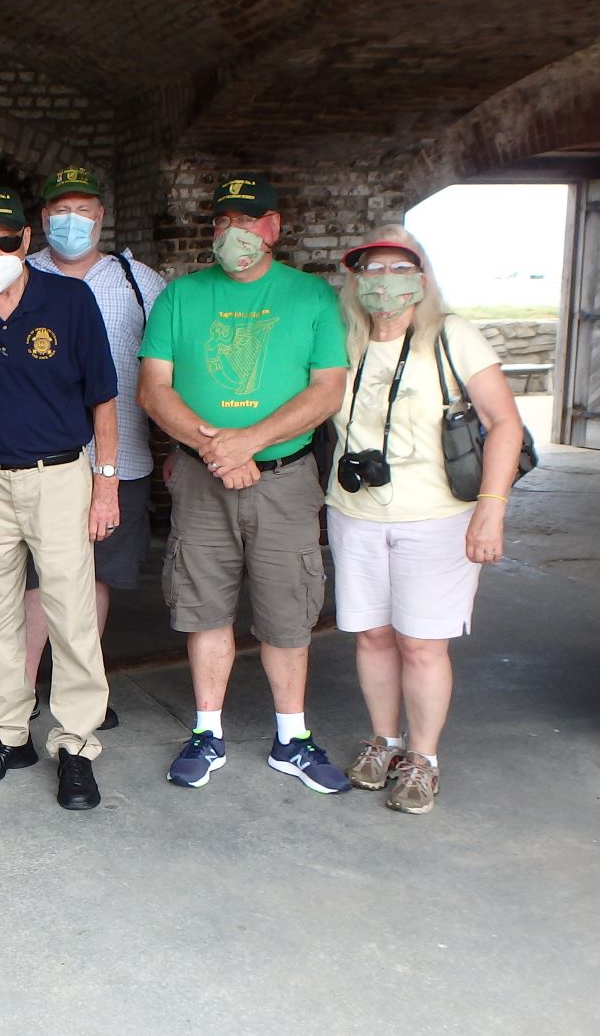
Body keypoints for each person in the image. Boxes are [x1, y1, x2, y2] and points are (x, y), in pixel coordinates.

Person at [136, 175, 352, 794]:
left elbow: (326, 390)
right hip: (205, 479)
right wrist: (215, 448)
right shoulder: (181, 297)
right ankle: (207, 732)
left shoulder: (310, 297)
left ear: (274, 228)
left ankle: (293, 738)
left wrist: (247, 442)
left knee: (288, 610)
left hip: (284, 478)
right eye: (226, 221)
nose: (238, 233)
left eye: (250, 221)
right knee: (205, 606)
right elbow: (154, 388)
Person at [0, 187, 119, 811]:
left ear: (27, 241)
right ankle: (8, 735)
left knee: (70, 614)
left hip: (60, 476)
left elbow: (104, 398)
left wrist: (106, 482)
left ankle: (76, 746)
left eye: (9, 240)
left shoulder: (69, 299)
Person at [328, 225, 524, 814]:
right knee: (372, 634)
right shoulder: (342, 337)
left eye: (397, 268)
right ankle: (384, 742)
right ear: (355, 279)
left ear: (422, 277)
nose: (383, 282)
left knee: (421, 643)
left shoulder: (452, 336)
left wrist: (491, 510)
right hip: (354, 511)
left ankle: (423, 758)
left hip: (437, 518)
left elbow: (506, 424)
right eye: (372, 270)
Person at [21, 166, 167, 729]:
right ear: (42, 218)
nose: (72, 221)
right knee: (37, 579)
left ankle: (77, 689)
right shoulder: (20, 273)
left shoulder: (138, 281)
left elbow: (169, 366)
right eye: (61, 211)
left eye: (84, 210)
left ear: (102, 217)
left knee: (97, 577)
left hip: (121, 457)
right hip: (38, 458)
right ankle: (25, 688)